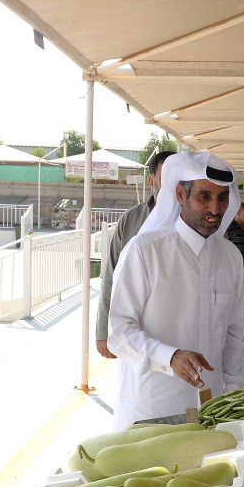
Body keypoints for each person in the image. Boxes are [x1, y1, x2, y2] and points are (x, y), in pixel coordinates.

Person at [107, 151, 244, 428]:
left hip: (212, 409)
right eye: (204, 197)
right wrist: (168, 357)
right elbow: (119, 333)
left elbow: (234, 336)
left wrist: (236, 398)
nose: (215, 209)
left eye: (222, 198)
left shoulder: (230, 256)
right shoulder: (144, 250)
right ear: (181, 196)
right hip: (152, 408)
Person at [96, 150, 175, 358]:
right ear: (152, 181)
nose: (173, 186)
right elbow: (111, 274)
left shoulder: (192, 224)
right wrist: (103, 331)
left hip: (175, 331)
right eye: (165, 178)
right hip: (131, 331)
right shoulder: (130, 219)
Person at [225, 201, 244, 313]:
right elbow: (225, 251)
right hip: (231, 274)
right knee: (229, 305)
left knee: (243, 305)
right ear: (238, 212)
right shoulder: (229, 229)